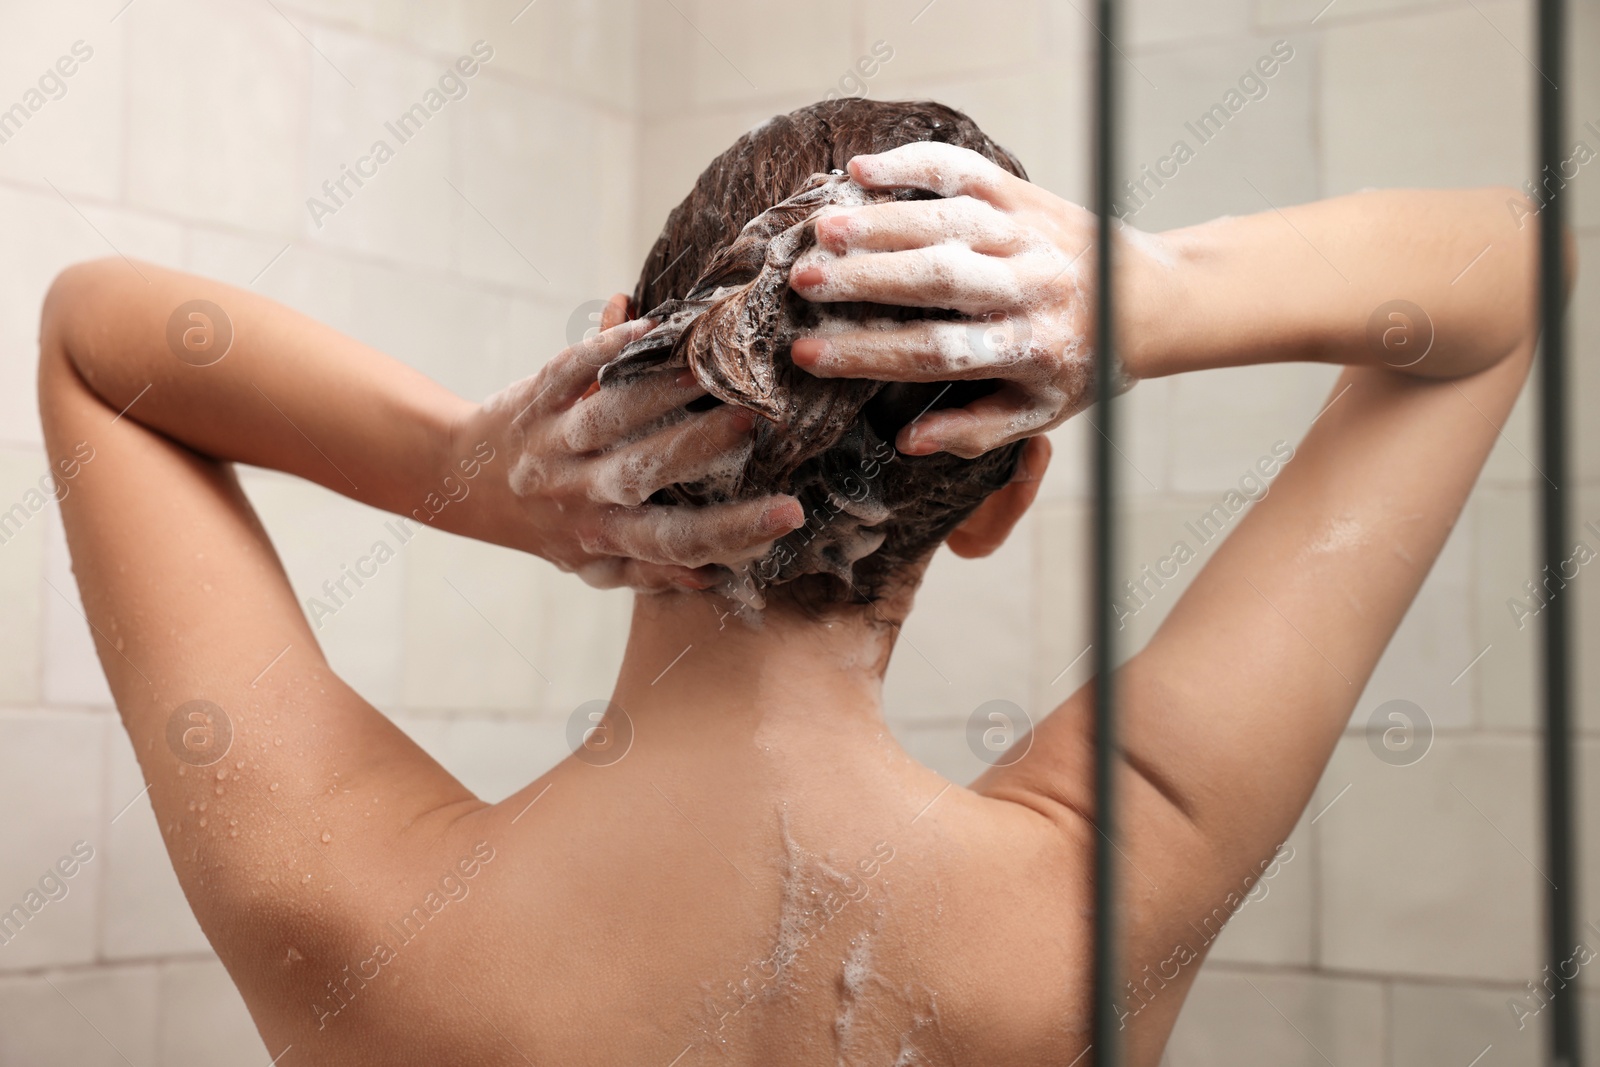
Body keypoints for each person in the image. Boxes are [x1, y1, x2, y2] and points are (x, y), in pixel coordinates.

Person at [37, 99, 1563, 1066]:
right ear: (1001, 495)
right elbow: (1514, 267)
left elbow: (99, 347)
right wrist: (1154, 295)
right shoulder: (1100, 898)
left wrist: (473, 465)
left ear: (619, 350)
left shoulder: (360, 910)